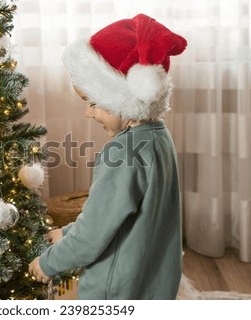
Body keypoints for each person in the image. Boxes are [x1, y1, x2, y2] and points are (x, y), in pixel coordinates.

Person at [28, 13, 187, 299]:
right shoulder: (158, 137)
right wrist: (67, 232)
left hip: (115, 287)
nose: (88, 113)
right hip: (151, 279)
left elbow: (94, 234)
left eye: (93, 102)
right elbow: (117, 214)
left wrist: (49, 262)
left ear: (122, 99)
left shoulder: (123, 152)